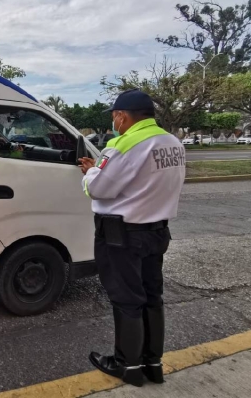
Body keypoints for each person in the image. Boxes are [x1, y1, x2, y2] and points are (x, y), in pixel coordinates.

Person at [78, 89, 185, 387]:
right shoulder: (172, 142)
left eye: (114, 117)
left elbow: (98, 188)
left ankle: (127, 366)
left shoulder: (123, 144)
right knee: (152, 296)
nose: (114, 123)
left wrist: (89, 173)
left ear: (122, 116)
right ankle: (153, 363)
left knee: (127, 299)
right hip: (157, 231)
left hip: (122, 234)